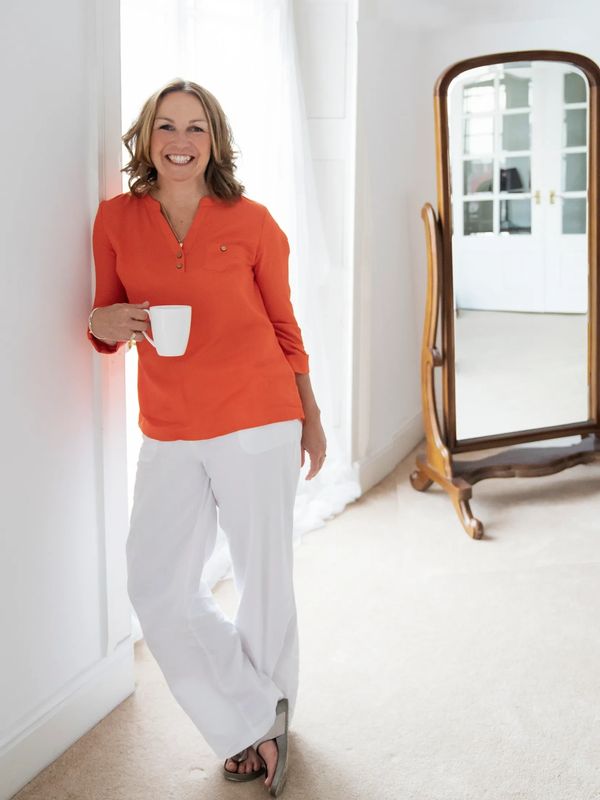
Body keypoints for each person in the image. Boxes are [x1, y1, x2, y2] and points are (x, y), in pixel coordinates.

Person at [86, 78, 327, 797]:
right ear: (146, 137)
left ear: (215, 139)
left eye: (196, 128)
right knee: (155, 584)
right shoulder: (114, 219)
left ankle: (266, 735)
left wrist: (309, 414)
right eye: (167, 127)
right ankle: (251, 716)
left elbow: (284, 326)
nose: (181, 142)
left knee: (263, 583)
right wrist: (101, 327)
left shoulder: (251, 220)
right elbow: (105, 314)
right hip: (169, 428)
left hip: (259, 416)